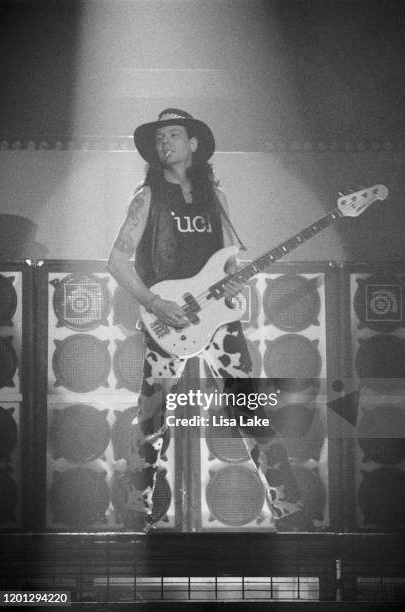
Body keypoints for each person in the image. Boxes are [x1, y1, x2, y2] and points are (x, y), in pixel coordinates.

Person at [107, 109, 308, 532]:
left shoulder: (216, 198)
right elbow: (117, 261)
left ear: (193, 143)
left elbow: (232, 263)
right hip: (167, 316)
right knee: (152, 420)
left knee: (250, 411)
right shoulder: (146, 197)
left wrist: (239, 285)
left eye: (174, 135)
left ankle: (290, 512)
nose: (165, 143)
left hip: (218, 321)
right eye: (160, 137)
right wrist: (154, 304)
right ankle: (134, 515)